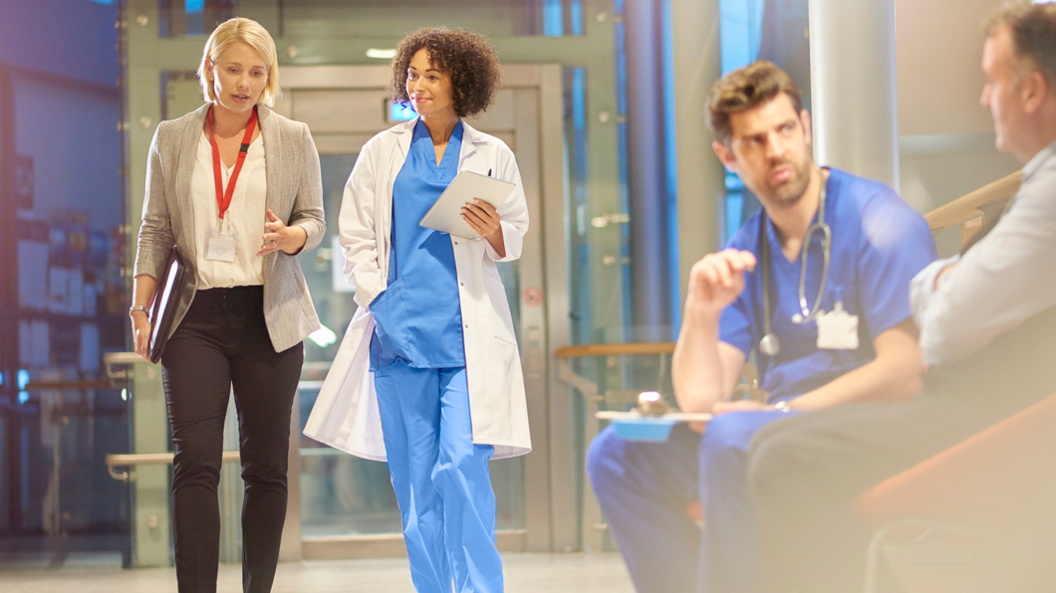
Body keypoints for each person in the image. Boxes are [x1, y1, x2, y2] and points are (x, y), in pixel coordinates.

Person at [585, 61, 937, 593]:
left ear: (806, 127)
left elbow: (906, 370)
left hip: (866, 430)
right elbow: (703, 398)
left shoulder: (878, 221)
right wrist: (700, 310)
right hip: (769, 435)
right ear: (727, 156)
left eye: (785, 130)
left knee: (732, 437)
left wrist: (780, 413)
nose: (776, 151)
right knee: (614, 456)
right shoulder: (746, 250)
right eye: (754, 141)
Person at [747, 4, 1056, 591]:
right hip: (988, 405)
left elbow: (939, 333)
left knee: (783, 458)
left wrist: (940, 284)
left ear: (1033, 90)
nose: (985, 99)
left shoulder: (1044, 197)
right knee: (767, 445)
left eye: (992, 82)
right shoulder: (751, 247)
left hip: (999, 418)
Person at [304, 27, 530, 593]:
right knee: (416, 492)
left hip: (464, 341)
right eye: (413, 74)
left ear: (462, 83)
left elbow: (516, 236)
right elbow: (355, 235)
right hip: (398, 338)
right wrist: (377, 298)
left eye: (433, 75)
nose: (419, 84)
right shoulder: (383, 151)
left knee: (461, 468)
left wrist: (495, 231)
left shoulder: (492, 153)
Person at [130, 17, 325, 593]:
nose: (243, 83)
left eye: (256, 72)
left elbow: (314, 219)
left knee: (266, 469)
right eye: (233, 69)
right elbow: (154, 229)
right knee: (195, 462)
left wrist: (294, 238)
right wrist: (140, 311)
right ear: (209, 68)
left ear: (269, 77)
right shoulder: (172, 135)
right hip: (195, 316)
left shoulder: (292, 137)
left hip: (270, 315)